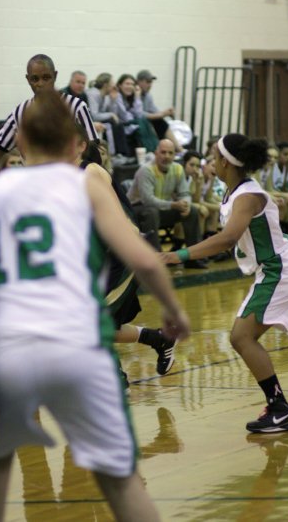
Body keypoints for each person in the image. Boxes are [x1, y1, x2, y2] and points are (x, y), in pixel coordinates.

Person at [0, 91, 190, 522]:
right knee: (120, 484)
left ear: (20, 143)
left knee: (5, 482)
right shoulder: (86, 182)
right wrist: (172, 309)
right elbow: (143, 256)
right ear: (74, 143)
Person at [162, 133, 288, 433]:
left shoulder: (247, 196)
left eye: (214, 155)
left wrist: (178, 255)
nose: (212, 161)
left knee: (241, 337)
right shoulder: (235, 192)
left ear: (225, 161)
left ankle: (279, 408)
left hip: (281, 271)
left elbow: (227, 239)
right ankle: (280, 409)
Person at [74, 126, 177, 382]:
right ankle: (158, 339)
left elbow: (118, 219)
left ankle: (115, 378)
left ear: (79, 145)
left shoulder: (91, 170)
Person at [0, 54, 98, 177]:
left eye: (46, 78)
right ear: (28, 79)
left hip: (70, 181)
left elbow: (93, 150)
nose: (40, 84)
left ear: (55, 76)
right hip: (35, 181)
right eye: (35, 79)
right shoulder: (21, 111)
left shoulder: (77, 106)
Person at [128, 139, 206, 268]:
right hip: (136, 211)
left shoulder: (178, 169)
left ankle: (193, 258)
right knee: (151, 211)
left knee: (192, 210)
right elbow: (148, 200)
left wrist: (186, 204)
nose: (167, 156)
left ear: (175, 155)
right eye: (163, 152)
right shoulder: (146, 170)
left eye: (170, 153)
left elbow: (184, 193)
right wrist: (173, 205)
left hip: (161, 209)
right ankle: (157, 260)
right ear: (156, 153)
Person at [136, 70, 184, 153]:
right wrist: (162, 114)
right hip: (133, 121)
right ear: (139, 82)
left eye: (151, 82)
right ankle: (170, 149)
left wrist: (166, 113)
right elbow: (139, 114)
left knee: (160, 121)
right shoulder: (134, 94)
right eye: (147, 82)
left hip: (143, 120)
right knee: (154, 121)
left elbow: (154, 111)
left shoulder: (147, 96)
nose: (150, 85)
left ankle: (176, 148)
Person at [116, 74, 159, 154]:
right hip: (121, 126)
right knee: (142, 123)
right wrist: (135, 119)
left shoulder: (130, 98)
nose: (130, 86)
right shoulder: (117, 96)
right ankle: (152, 150)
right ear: (120, 85)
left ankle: (155, 150)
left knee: (145, 122)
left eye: (132, 84)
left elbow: (139, 114)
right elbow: (125, 117)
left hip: (130, 124)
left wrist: (137, 96)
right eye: (127, 84)